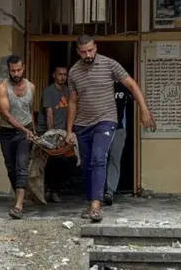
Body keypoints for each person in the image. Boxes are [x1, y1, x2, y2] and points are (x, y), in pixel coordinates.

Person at [66, 35, 156, 222]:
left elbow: (132, 85)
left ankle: (96, 207)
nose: (88, 54)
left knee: (99, 158)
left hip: (106, 120)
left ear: (96, 47)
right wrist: (69, 130)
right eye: (83, 52)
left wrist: (144, 110)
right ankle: (92, 201)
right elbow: (73, 102)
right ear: (78, 52)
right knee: (87, 165)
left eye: (90, 50)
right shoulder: (74, 72)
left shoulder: (110, 65)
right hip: (82, 124)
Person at [0, 55, 37, 219]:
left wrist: (32, 132)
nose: (16, 73)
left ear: (23, 68)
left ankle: (18, 205)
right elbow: (5, 114)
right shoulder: (2, 87)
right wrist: (23, 129)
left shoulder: (31, 87)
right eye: (13, 70)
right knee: (11, 167)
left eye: (19, 69)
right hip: (7, 132)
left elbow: (29, 111)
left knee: (21, 165)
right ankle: (20, 196)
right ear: (9, 70)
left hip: (25, 132)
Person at [37, 66, 70, 203]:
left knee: (64, 163)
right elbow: (49, 115)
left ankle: (54, 190)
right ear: (54, 75)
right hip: (48, 133)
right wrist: (52, 135)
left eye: (64, 74)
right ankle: (48, 191)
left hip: (63, 133)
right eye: (59, 74)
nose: (62, 77)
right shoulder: (49, 91)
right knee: (49, 162)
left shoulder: (68, 92)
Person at [103, 81, 133, 206]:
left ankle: (110, 191)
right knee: (100, 159)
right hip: (102, 127)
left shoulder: (124, 86)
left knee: (114, 159)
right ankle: (98, 190)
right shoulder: (102, 85)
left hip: (119, 128)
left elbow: (136, 95)